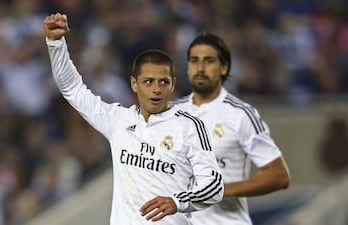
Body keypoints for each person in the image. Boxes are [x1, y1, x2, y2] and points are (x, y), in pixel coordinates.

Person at [43, 13, 223, 225]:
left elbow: (214, 186)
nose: (156, 89)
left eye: (163, 82)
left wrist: (178, 201)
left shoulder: (189, 127)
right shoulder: (118, 121)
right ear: (134, 84)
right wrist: (55, 43)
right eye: (148, 81)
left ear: (173, 84)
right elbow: (72, 89)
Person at [170, 33, 291, 225]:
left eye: (208, 61)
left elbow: (278, 176)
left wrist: (221, 190)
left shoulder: (241, 114)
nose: (200, 68)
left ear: (224, 67)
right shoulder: (170, 112)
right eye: (194, 61)